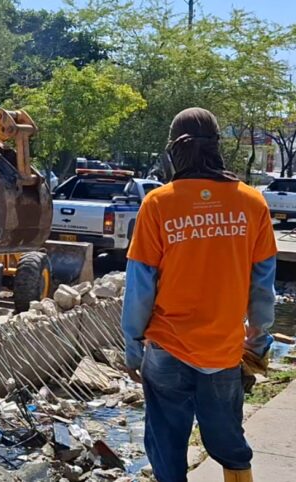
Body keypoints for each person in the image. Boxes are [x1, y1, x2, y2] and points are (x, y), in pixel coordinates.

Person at [121, 107, 277, 482]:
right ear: (216, 147)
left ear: (175, 149)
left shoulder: (158, 204)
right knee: (230, 443)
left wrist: (132, 348)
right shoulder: (253, 203)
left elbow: (140, 287)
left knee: (166, 447)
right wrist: (257, 343)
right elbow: (262, 286)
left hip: (165, 350)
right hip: (223, 350)